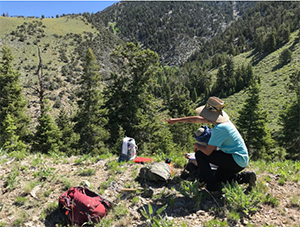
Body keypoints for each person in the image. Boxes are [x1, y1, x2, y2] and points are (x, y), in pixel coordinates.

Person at [166, 96, 256, 193]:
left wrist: (197, 145)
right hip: (239, 159)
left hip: (235, 159)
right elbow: (196, 119)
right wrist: (176, 120)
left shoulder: (219, 128)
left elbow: (207, 152)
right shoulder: (223, 122)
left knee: (200, 155)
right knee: (219, 179)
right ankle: (247, 177)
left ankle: (212, 189)